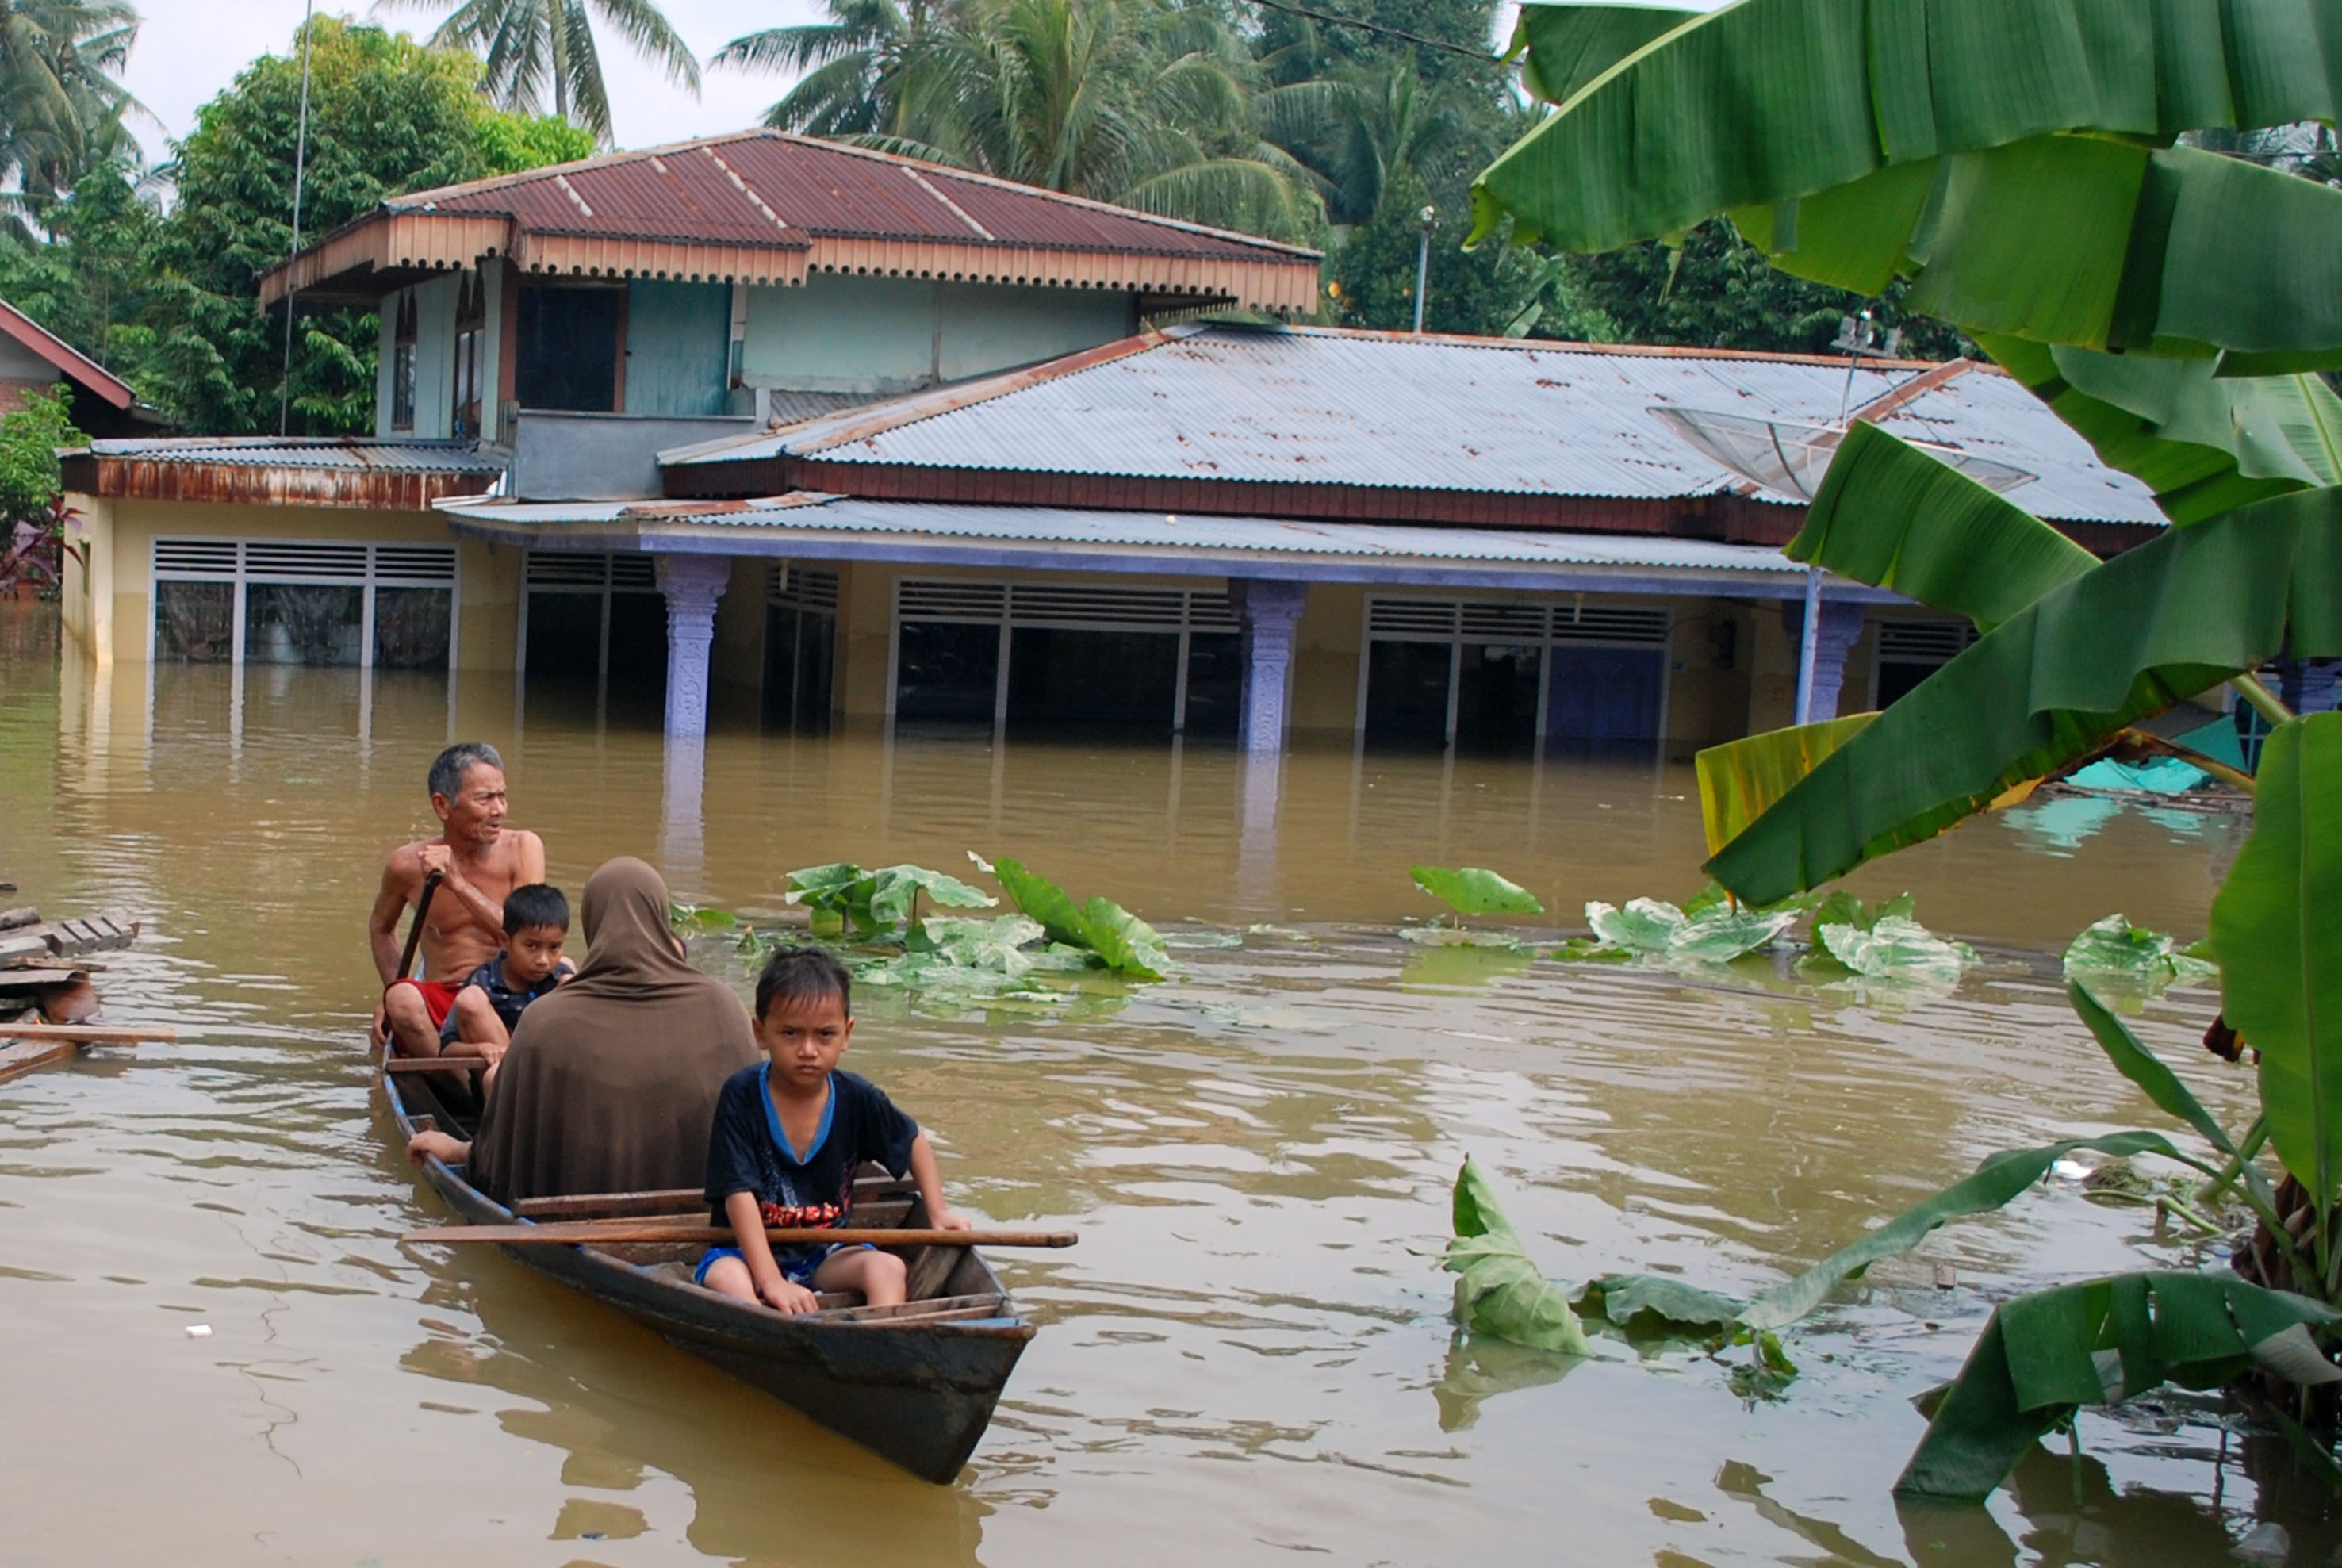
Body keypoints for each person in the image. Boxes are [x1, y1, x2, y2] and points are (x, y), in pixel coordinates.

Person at [408, 857, 757, 1204]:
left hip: (571, 1213)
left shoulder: (544, 1020)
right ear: (662, 921)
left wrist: (459, 1150)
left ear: (593, 926)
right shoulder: (725, 1007)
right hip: (712, 1211)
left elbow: (503, 1158)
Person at [696, 945, 970, 1315]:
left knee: (888, 1267)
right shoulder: (741, 1095)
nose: (808, 1050)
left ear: (847, 1034)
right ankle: (765, 1336)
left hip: (826, 1249)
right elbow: (738, 1195)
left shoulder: (856, 1097)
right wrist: (771, 1281)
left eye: (825, 1035)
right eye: (790, 1033)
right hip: (744, 1250)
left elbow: (913, 1140)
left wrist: (938, 1212)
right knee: (726, 1278)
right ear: (760, 1033)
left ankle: (879, 1341)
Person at [369, 742, 546, 1061]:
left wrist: (458, 884)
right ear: (442, 806)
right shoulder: (407, 864)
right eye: (485, 799)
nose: (499, 810)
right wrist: (393, 987)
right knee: (402, 999)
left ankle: (495, 1085)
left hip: (511, 991)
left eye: (502, 796)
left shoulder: (524, 847)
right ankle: (461, 1086)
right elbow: (381, 927)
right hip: (445, 996)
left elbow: (529, 935)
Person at [443, 882, 575, 1091]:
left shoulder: (559, 977)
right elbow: (447, 1051)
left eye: (554, 947)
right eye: (531, 946)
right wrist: (482, 1048)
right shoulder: (483, 984)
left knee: (570, 983)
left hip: (551, 1081)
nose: (543, 960)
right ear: (505, 941)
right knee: (471, 1001)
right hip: (499, 1087)